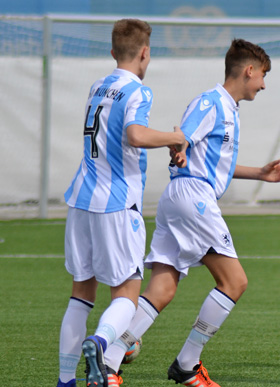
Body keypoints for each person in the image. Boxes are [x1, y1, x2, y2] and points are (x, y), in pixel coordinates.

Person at [101, 38, 280, 386]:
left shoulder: (229, 108)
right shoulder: (212, 102)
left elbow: (210, 160)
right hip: (193, 197)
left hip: (185, 197)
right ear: (249, 70)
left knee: (162, 289)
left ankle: (108, 362)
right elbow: (183, 137)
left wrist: (261, 174)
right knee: (234, 281)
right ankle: (187, 363)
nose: (263, 84)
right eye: (262, 75)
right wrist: (178, 149)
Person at [57, 19, 186, 387]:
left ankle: (65, 381)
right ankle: (99, 343)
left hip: (80, 199)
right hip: (115, 203)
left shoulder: (98, 85)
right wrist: (174, 137)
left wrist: (163, 142)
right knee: (127, 295)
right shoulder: (138, 91)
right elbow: (134, 134)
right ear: (145, 52)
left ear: (113, 52)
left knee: (80, 295)